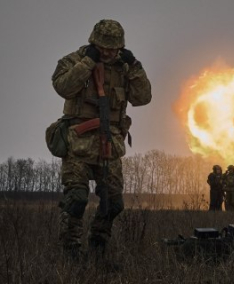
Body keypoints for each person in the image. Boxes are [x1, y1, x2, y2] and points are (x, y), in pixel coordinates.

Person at [52, 19, 152, 258]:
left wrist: (135, 66)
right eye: (104, 47)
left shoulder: (125, 68)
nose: (108, 52)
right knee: (76, 200)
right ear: (94, 43)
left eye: (113, 48)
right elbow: (63, 87)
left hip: (110, 144)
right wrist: (88, 62)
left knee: (114, 203)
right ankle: (71, 253)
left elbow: (143, 97)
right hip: (79, 145)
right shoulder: (75, 60)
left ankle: (98, 247)